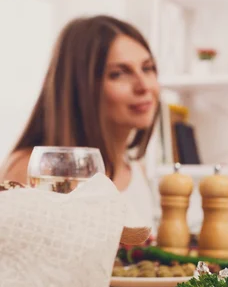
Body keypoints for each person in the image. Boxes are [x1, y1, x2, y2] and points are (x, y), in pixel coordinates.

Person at [0, 15, 159, 225]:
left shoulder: (137, 170)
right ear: (80, 88)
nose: (143, 86)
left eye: (147, 68)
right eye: (118, 74)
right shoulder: (31, 171)